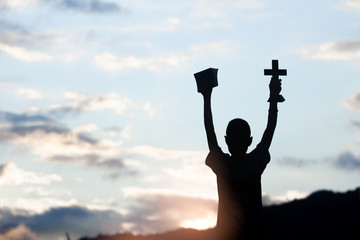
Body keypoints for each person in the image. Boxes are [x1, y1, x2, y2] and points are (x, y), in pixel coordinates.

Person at [200, 77, 282, 240]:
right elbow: (270, 129)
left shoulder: (223, 166)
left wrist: (206, 97)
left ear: (226, 140)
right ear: (250, 141)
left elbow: (210, 133)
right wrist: (273, 97)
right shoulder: (254, 163)